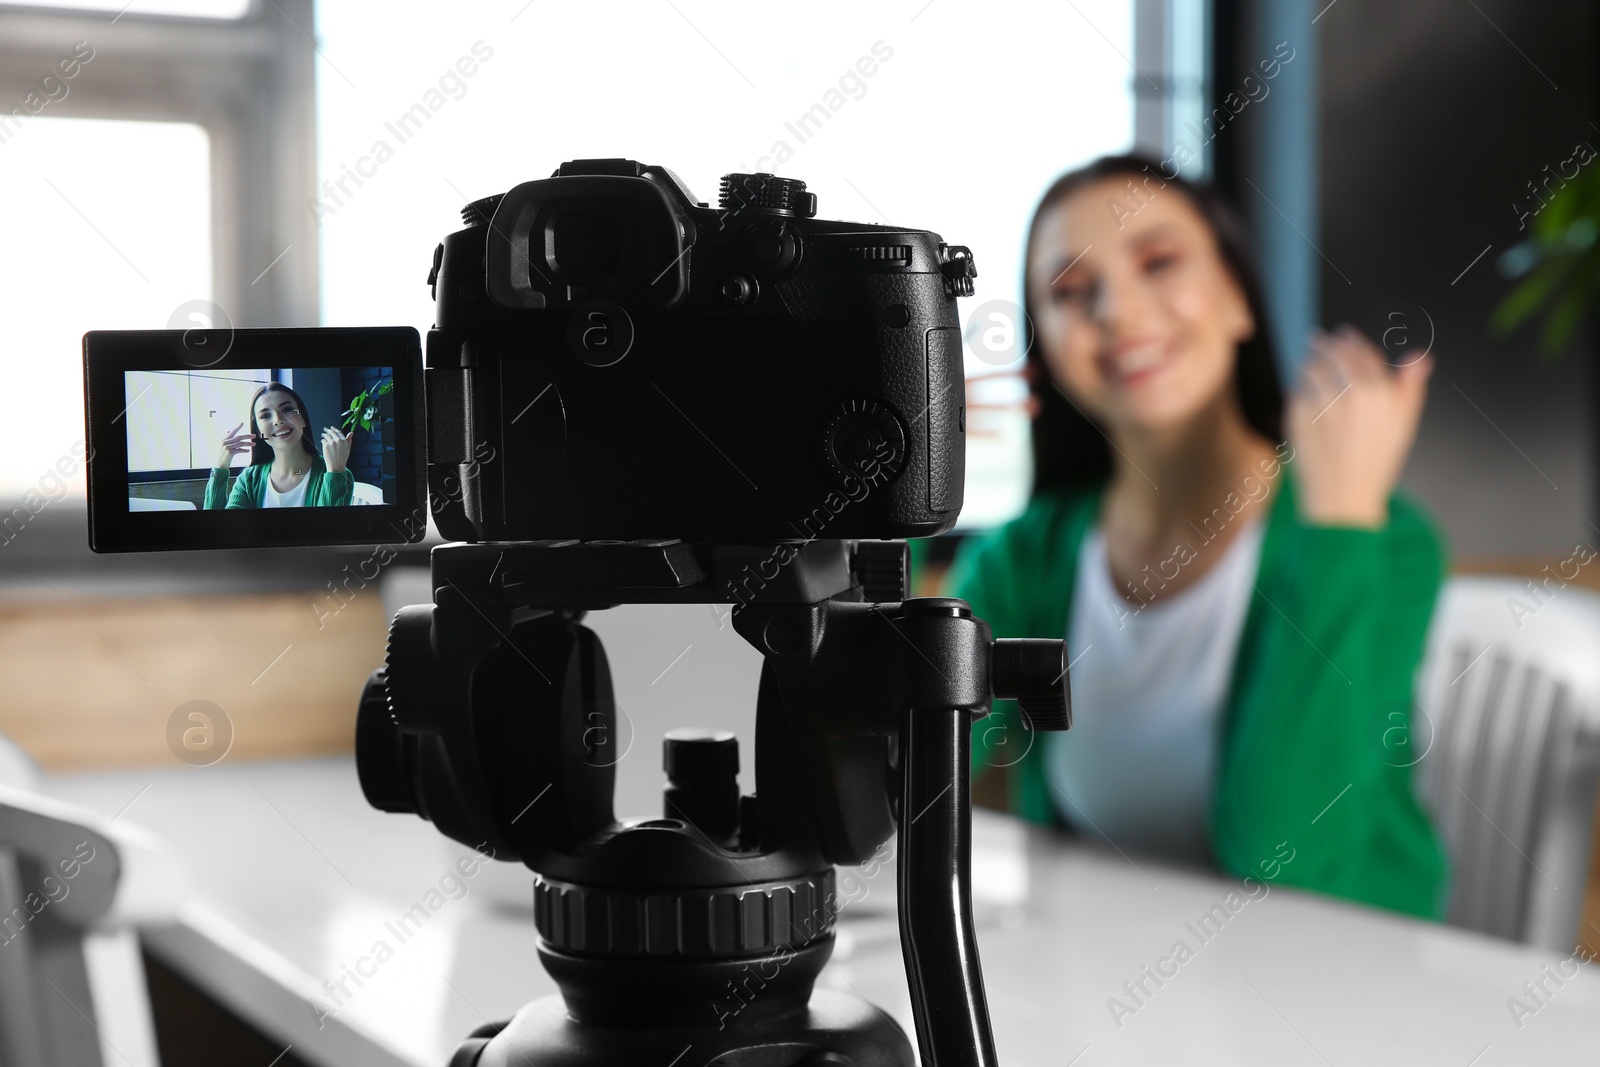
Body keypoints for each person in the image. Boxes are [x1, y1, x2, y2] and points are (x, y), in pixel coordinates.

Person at [943, 154, 1447, 919]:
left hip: (1345, 1000)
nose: (1115, 309)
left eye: (1159, 262)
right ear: (1043, 348)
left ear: (1238, 299)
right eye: (1071, 292)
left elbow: (1284, 864)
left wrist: (1340, 523)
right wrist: (888, 507)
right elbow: (897, 795)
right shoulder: (1029, 556)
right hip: (1114, 994)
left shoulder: (1388, 542)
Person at [204, 382, 355, 509]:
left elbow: (329, 532)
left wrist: (335, 472)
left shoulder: (336, 473)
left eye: (287, 410)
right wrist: (220, 468)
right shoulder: (249, 480)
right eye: (265, 416)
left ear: (302, 419)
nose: (277, 420)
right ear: (258, 430)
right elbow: (220, 532)